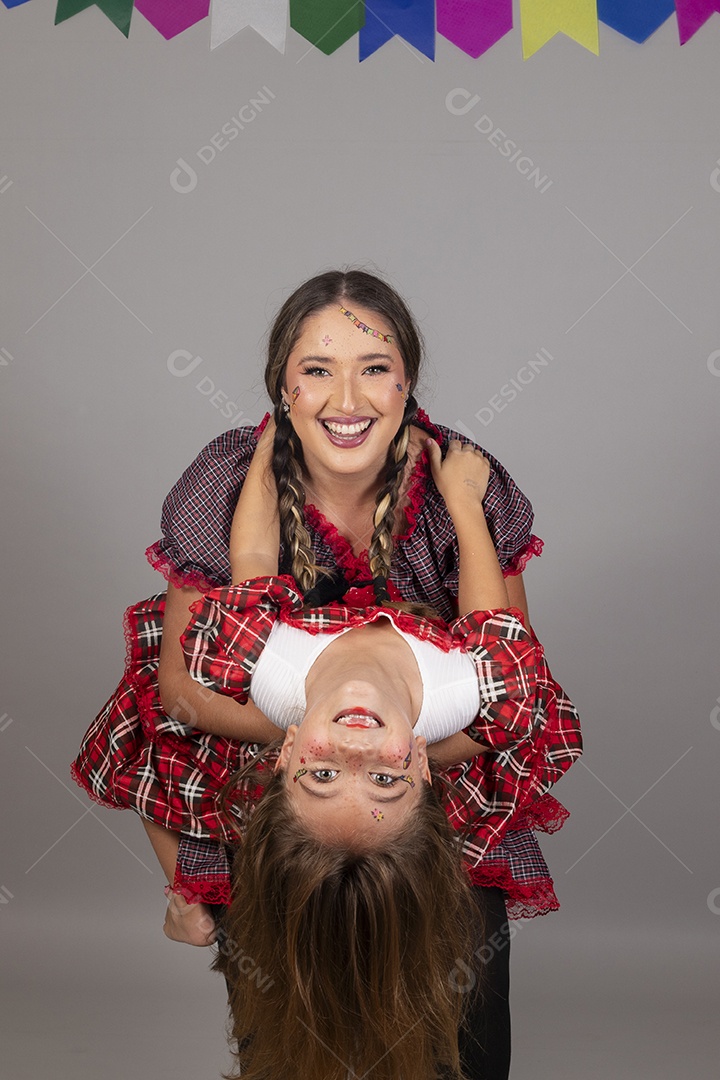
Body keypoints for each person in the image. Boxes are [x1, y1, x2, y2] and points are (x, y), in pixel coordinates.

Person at [72, 269, 574, 1079]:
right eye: (317, 369)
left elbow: (513, 680)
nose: (349, 397)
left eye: (374, 367)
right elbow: (180, 689)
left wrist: (392, 757)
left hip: (434, 763)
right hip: (261, 754)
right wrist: (316, 751)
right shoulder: (231, 482)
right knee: (282, 994)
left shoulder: (462, 484)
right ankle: (201, 903)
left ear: (407, 380)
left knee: (464, 1003)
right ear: (282, 385)